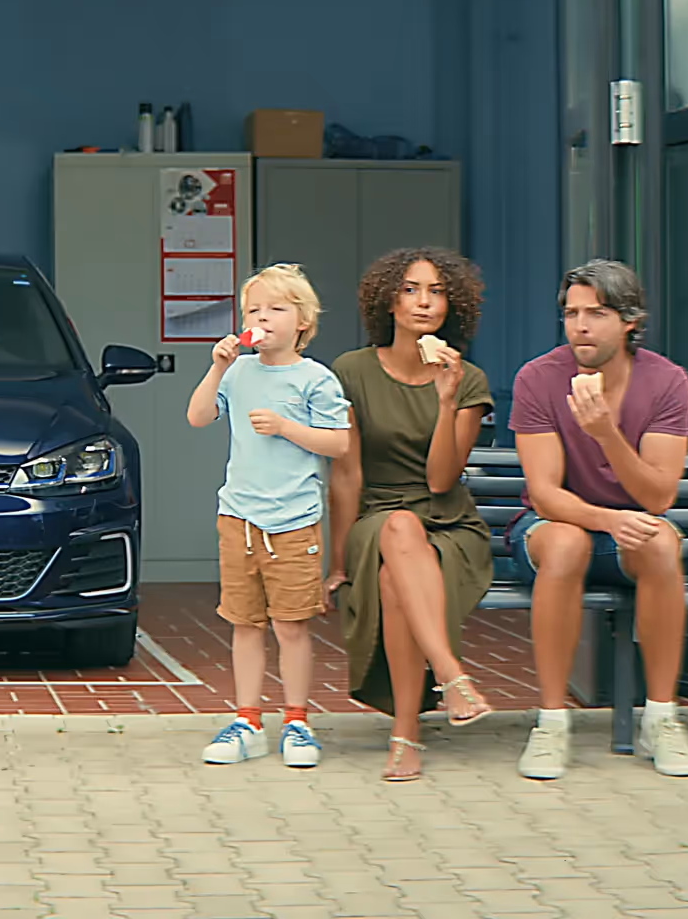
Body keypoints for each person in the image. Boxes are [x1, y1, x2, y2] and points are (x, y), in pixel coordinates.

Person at [508, 259, 688, 780]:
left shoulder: (667, 382)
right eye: (571, 313)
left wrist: (605, 434)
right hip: (552, 528)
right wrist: (608, 519)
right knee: (569, 543)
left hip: (630, 530)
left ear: (630, 321)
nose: (580, 326)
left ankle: (661, 718)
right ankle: (551, 722)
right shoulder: (539, 378)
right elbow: (545, 495)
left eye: (596, 313)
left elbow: (658, 496)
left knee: (662, 542)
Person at [327, 248, 496, 782]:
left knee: (396, 579)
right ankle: (451, 676)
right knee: (397, 530)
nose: (424, 301)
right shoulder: (350, 371)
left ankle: (406, 739)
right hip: (378, 517)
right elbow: (348, 475)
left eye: (437, 291)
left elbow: (443, 480)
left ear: (453, 306)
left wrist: (446, 403)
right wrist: (337, 563)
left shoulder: (467, 379)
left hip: (448, 525)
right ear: (388, 302)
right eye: (410, 289)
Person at [187, 263, 351, 768]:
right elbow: (197, 416)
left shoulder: (315, 378)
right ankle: (247, 720)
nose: (263, 318)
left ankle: (298, 721)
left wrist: (286, 427)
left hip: (295, 520)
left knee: (293, 625)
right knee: (244, 623)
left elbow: (340, 443)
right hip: (238, 517)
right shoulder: (237, 372)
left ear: (303, 321)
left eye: (276, 309)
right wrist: (217, 367)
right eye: (254, 309)